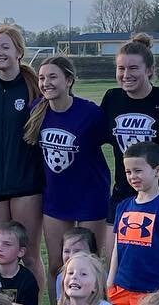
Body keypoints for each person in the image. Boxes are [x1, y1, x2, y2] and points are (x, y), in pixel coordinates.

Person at [25, 54, 114, 287]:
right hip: (56, 199)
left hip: (90, 197)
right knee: (57, 265)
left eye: (53, 77)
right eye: (42, 78)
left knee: (90, 264)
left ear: (69, 80)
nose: (46, 83)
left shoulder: (90, 113)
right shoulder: (37, 110)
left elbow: (116, 145)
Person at [0, 25, 46, 295]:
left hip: (26, 184)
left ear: (19, 51)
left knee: (27, 256)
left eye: (5, 47)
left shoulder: (33, 88)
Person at [102, 33, 159, 232]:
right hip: (125, 192)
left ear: (150, 70)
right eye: (121, 68)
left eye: (134, 68)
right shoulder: (112, 99)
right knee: (116, 261)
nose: (126, 75)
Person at [107, 142, 159, 305]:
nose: (133, 177)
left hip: (150, 290)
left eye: (138, 171)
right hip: (122, 287)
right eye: (128, 172)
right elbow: (118, 246)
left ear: (157, 171)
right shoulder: (123, 206)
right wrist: (110, 279)